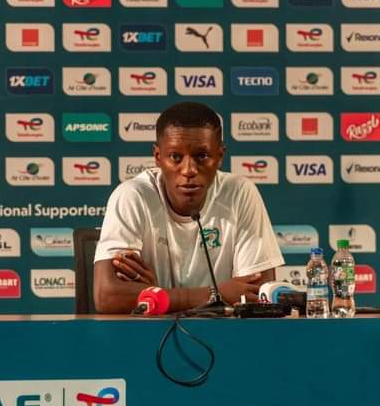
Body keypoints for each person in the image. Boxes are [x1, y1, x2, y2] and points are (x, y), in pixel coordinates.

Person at [93, 102, 284, 313]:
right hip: (148, 338)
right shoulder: (133, 196)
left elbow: (258, 296)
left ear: (219, 156)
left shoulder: (239, 192)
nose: (189, 170)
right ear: (158, 157)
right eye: (175, 157)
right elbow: (107, 296)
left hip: (223, 337)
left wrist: (156, 294)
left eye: (201, 156)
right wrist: (215, 294)